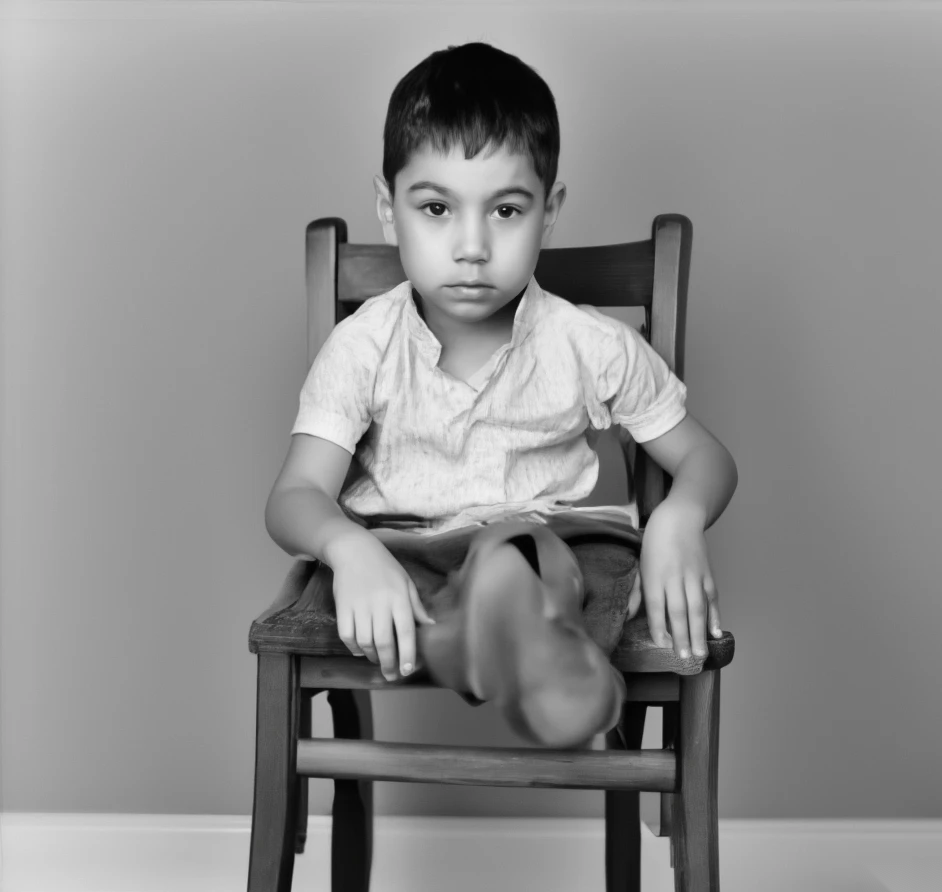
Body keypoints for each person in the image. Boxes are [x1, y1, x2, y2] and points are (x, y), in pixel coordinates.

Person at [264, 41, 738, 748]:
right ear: (387, 209)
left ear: (550, 211)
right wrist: (346, 548)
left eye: (507, 211)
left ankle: (506, 630)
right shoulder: (365, 346)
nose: (472, 245)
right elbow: (294, 495)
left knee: (544, 558)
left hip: (553, 554)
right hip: (408, 555)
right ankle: (487, 636)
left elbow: (706, 457)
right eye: (436, 208)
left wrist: (679, 518)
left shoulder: (588, 344)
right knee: (390, 578)